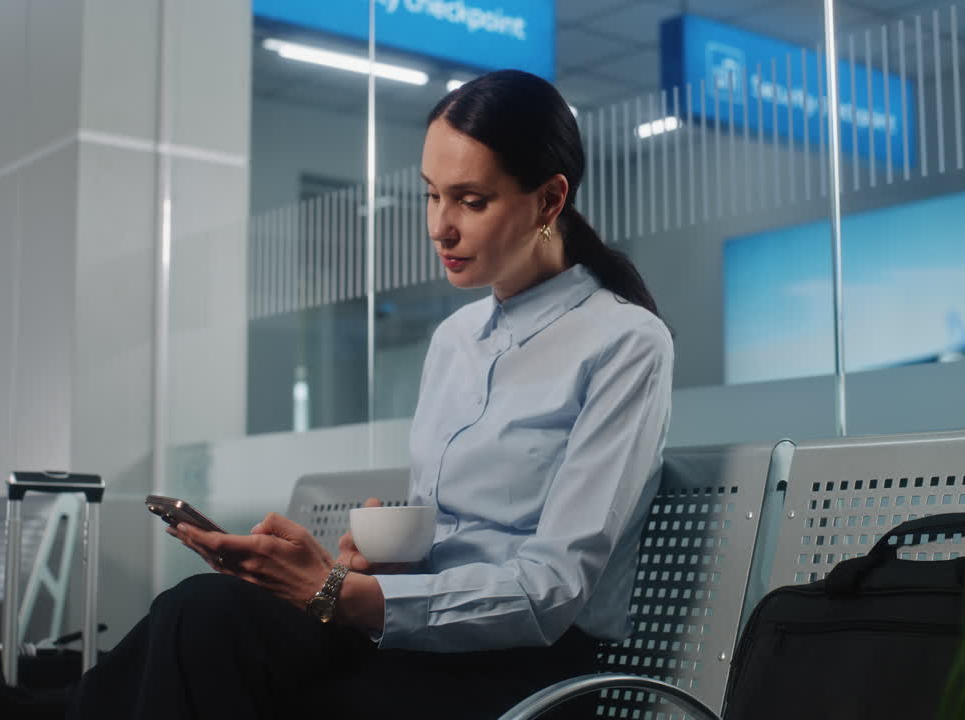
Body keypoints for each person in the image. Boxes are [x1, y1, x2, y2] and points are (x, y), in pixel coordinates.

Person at [68, 69, 673, 720]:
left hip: (523, 675)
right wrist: (364, 568)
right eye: (431, 195)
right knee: (198, 610)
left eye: (471, 200)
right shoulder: (455, 340)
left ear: (550, 201)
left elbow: (552, 593)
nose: (440, 227)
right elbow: (441, 546)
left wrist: (337, 594)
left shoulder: (625, 343)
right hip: (416, 644)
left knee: (209, 640)